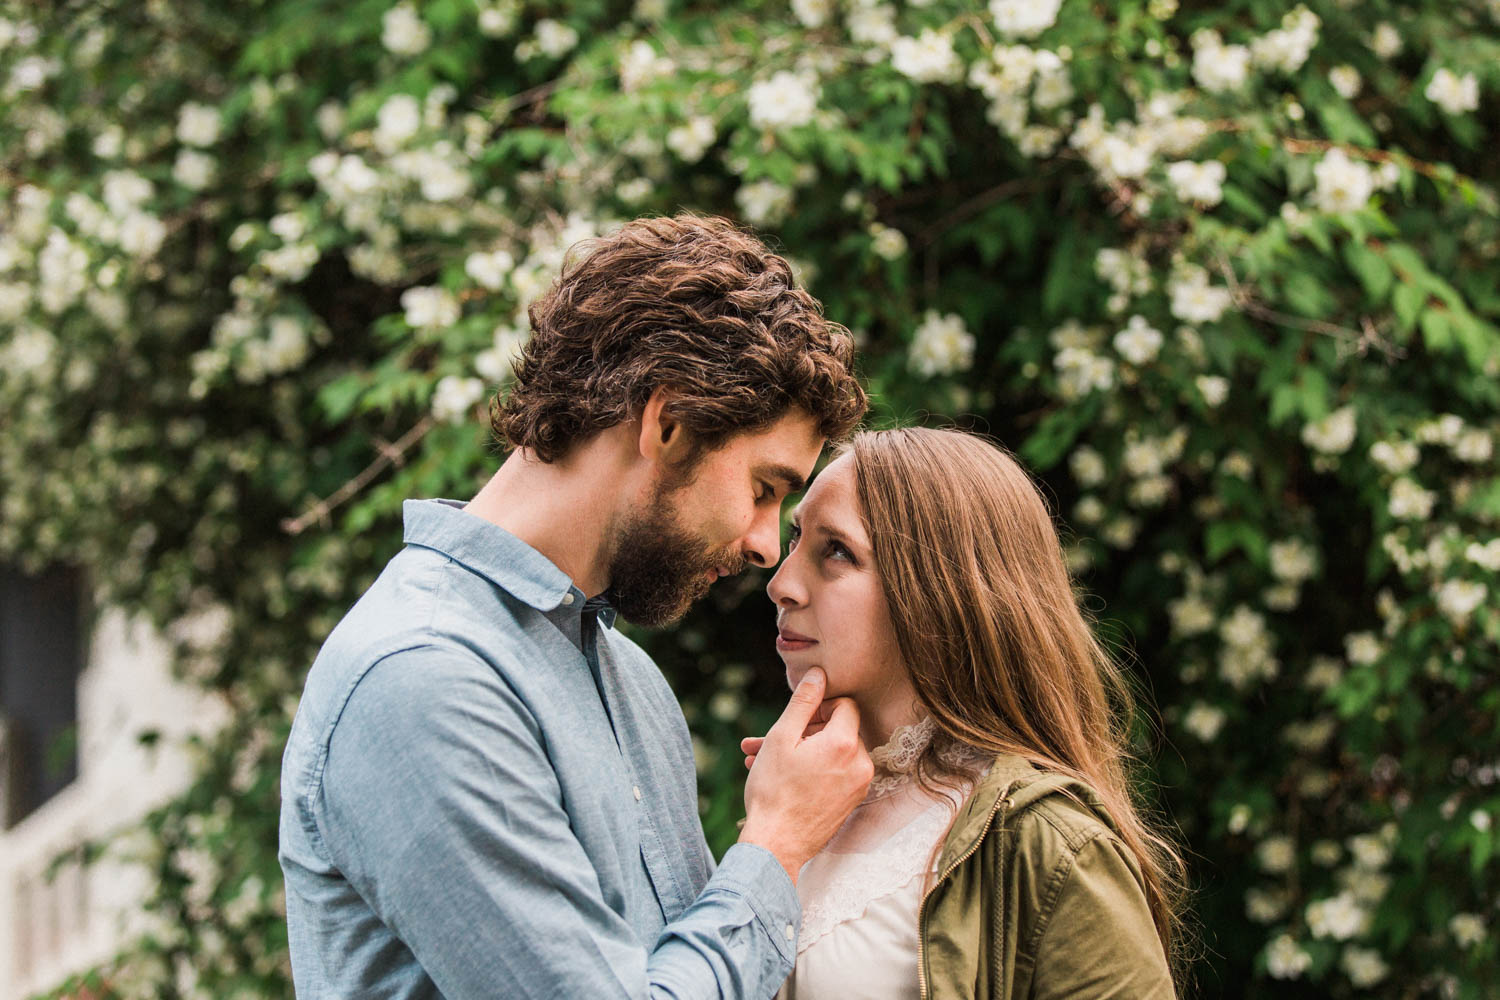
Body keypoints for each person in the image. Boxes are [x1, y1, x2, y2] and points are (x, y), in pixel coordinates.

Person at [277, 214, 874, 999]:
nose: (767, 546)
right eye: (763, 490)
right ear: (668, 422)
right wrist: (776, 843)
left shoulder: (631, 683)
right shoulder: (422, 680)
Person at [743, 427, 1188, 999]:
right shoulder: (793, 798)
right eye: (797, 537)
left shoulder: (1051, 847)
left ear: (937, 592)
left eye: (836, 551)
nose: (781, 584)